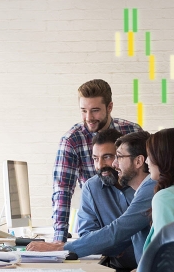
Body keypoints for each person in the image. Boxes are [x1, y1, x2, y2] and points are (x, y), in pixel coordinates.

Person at [32, 131, 155, 267]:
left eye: (113, 157)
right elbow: (101, 233)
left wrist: (60, 248)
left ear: (138, 161)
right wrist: (109, 244)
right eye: (95, 158)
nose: (111, 164)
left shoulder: (151, 189)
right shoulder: (91, 187)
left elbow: (120, 229)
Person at [51, 79, 142, 243]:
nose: (89, 118)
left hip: (135, 214)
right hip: (98, 220)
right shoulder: (72, 140)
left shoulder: (132, 131)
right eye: (83, 111)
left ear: (109, 107)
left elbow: (149, 175)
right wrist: (59, 240)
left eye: (95, 110)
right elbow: (62, 189)